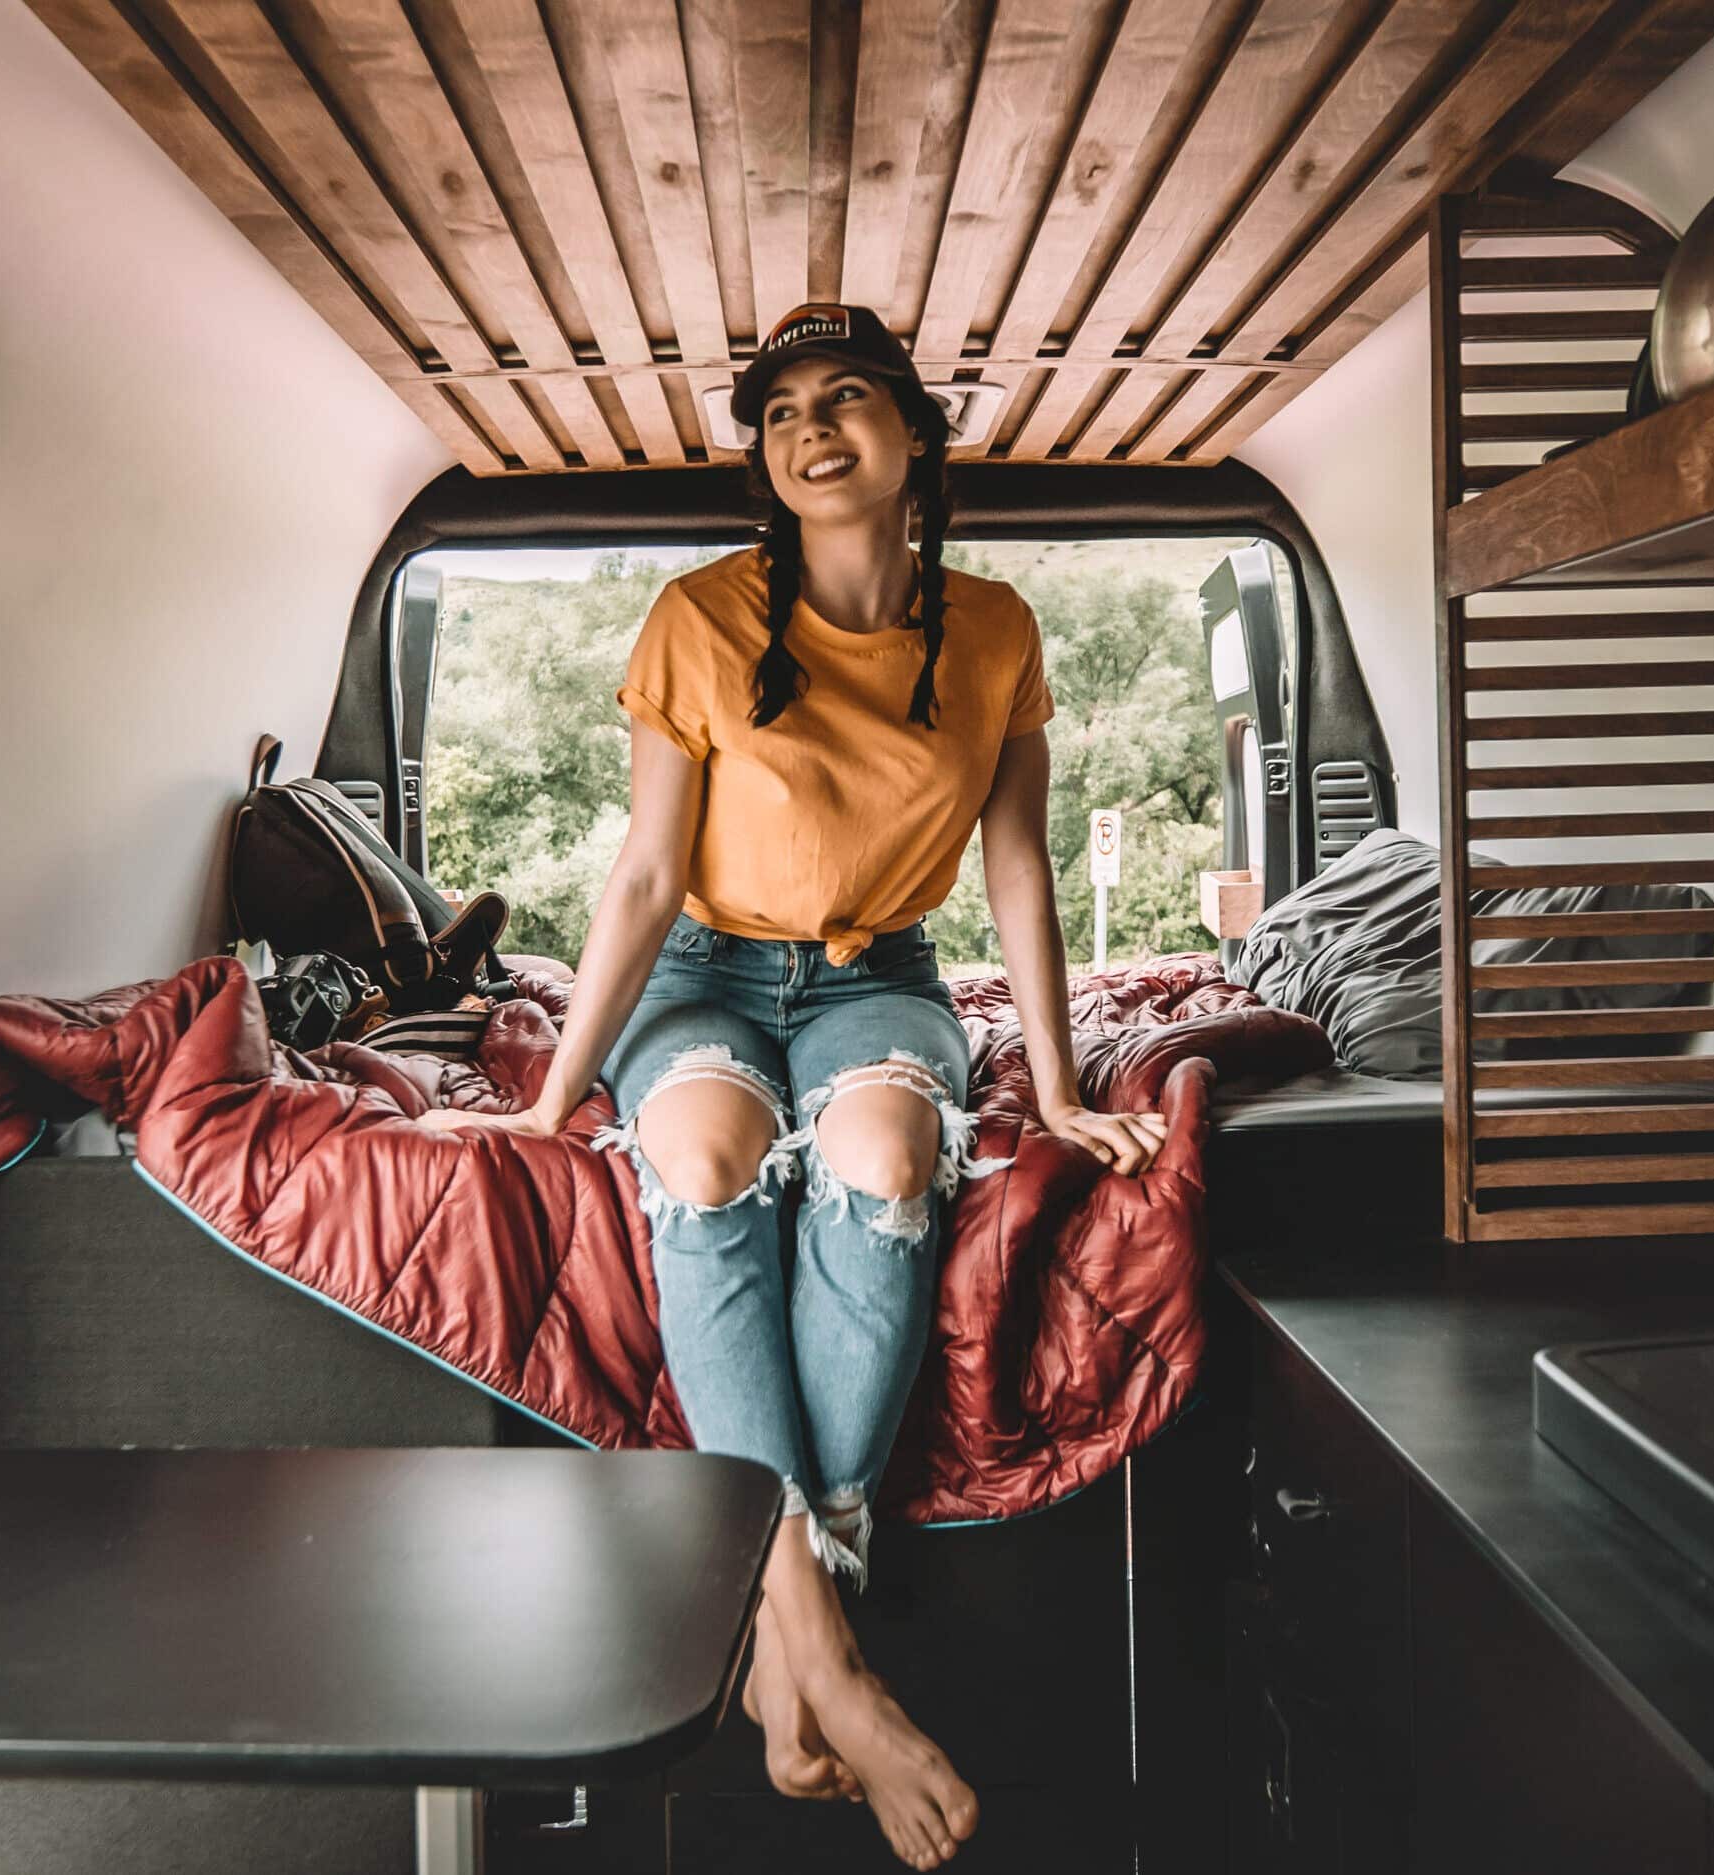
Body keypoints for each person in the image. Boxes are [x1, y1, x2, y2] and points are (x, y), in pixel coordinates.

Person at [419, 302, 1166, 1870]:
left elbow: (1019, 865)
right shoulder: (698, 616)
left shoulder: (998, 630)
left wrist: (1074, 1073)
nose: (810, 429)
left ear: (914, 435)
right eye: (779, 413)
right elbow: (635, 882)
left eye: (846, 398)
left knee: (890, 1164)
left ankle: (783, 1642)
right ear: (764, 459)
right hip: (705, 969)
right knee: (694, 1161)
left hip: (880, 971)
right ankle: (820, 1636)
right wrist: (555, 1100)